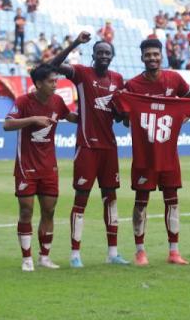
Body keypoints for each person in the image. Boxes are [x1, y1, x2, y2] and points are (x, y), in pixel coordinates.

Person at [49, 31, 130, 267]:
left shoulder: (118, 79)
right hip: (87, 147)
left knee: (111, 199)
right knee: (81, 199)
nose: (103, 55)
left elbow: (119, 114)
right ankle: (75, 254)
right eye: (100, 52)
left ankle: (113, 253)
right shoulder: (82, 73)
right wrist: (75, 42)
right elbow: (53, 66)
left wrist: (125, 116)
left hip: (109, 148)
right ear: (93, 55)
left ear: (112, 56)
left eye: (107, 52)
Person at [113, 38, 190, 266]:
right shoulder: (133, 86)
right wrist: (137, 120)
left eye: (155, 54)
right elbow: (122, 115)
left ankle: (174, 251)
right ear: (141, 58)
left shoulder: (174, 79)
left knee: (173, 201)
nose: (152, 58)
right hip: (144, 156)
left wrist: (178, 120)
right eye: (148, 55)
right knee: (141, 203)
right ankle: (140, 251)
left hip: (169, 153)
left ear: (161, 56)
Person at [3, 64, 78, 271]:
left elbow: (69, 116)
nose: (55, 84)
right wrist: (33, 119)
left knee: (49, 211)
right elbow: (7, 125)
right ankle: (26, 259)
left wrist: (90, 118)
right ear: (38, 84)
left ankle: (44, 257)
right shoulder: (23, 102)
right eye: (51, 81)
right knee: (26, 211)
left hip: (48, 167)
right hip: (26, 166)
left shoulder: (57, 101)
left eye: (56, 80)